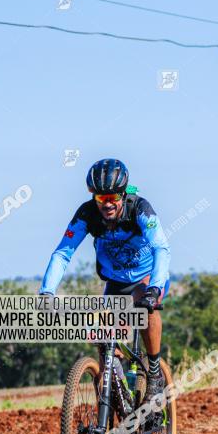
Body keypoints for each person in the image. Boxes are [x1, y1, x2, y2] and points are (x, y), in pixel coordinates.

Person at [39, 158, 170, 404]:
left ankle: (153, 374)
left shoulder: (139, 209)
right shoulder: (87, 214)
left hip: (146, 278)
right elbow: (62, 253)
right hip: (115, 283)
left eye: (112, 198)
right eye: (101, 199)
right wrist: (47, 293)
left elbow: (161, 248)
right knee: (102, 340)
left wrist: (155, 286)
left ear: (123, 194)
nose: (107, 204)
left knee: (146, 307)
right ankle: (111, 414)